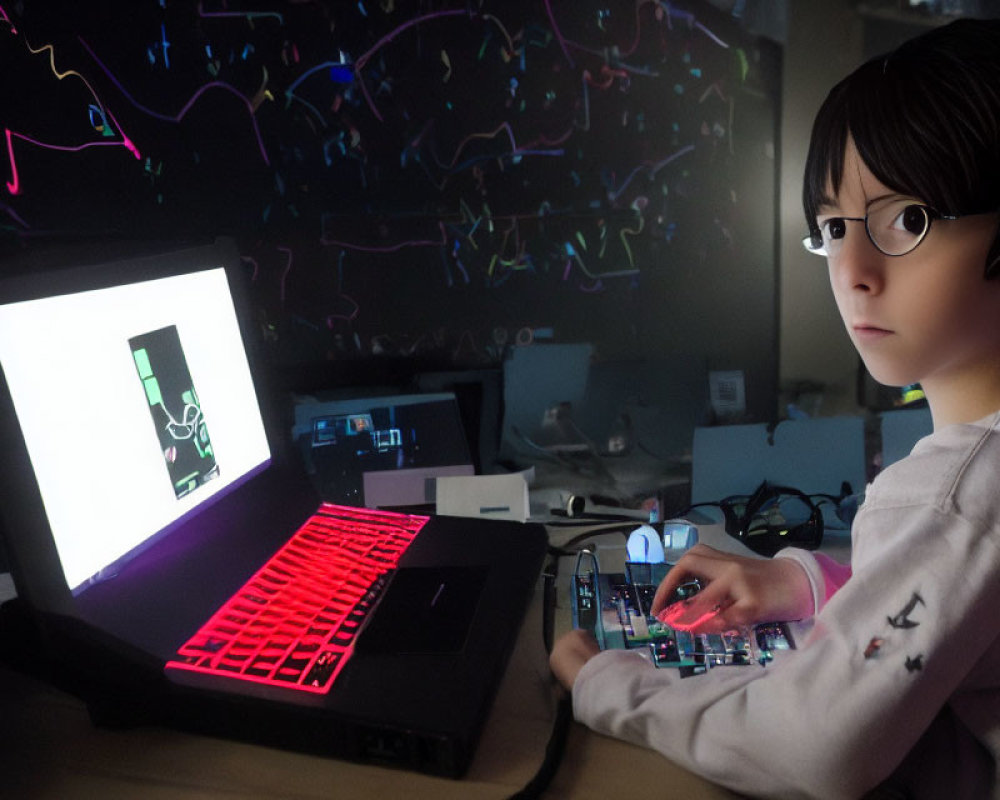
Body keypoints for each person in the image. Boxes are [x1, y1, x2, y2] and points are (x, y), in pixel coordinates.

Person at [550, 18, 1000, 799]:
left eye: (907, 220)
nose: (852, 271)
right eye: (833, 228)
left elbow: (814, 746)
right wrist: (815, 586)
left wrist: (612, 688)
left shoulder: (961, 492)